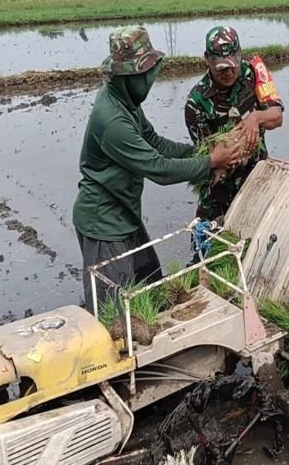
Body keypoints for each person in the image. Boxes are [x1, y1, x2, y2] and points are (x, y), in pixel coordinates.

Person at [73, 26, 241, 314]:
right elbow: (158, 168)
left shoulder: (124, 100)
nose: (152, 79)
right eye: (148, 73)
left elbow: (153, 141)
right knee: (114, 316)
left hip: (125, 216)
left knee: (150, 285)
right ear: (130, 75)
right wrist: (211, 162)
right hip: (103, 225)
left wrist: (200, 152)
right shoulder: (112, 120)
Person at [184, 26, 284, 222]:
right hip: (219, 194)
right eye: (222, 68)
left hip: (258, 181)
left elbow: (277, 116)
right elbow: (209, 160)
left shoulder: (255, 73)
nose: (229, 73)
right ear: (207, 59)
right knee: (213, 245)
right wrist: (232, 150)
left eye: (233, 66)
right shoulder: (196, 103)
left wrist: (255, 118)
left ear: (239, 54)